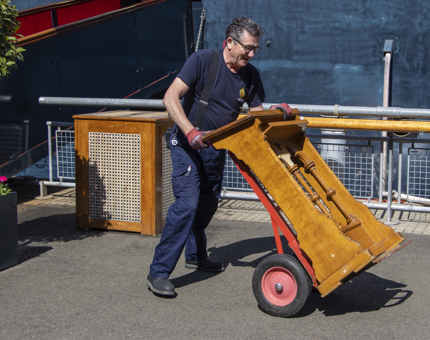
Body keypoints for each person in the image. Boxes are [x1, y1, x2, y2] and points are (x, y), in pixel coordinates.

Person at [147, 17, 292, 296]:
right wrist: (190, 132)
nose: (251, 54)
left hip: (215, 149)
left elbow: (258, 116)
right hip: (187, 145)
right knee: (187, 205)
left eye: (255, 49)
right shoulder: (202, 61)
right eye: (248, 48)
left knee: (207, 205)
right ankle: (159, 272)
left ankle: (196, 255)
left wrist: (277, 112)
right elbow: (170, 97)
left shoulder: (251, 75)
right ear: (229, 42)